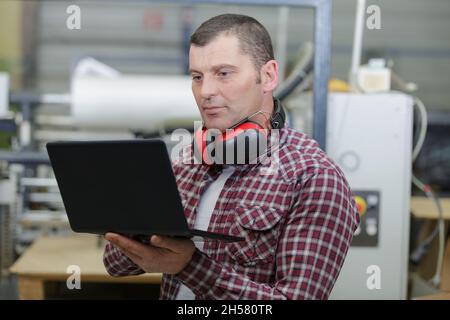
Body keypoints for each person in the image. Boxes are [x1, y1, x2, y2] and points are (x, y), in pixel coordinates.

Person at [103, 13, 359, 300]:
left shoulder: (313, 178)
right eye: (197, 77)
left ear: (269, 76)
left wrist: (189, 266)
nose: (206, 92)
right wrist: (131, 222)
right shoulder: (189, 160)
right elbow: (115, 264)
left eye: (223, 73)